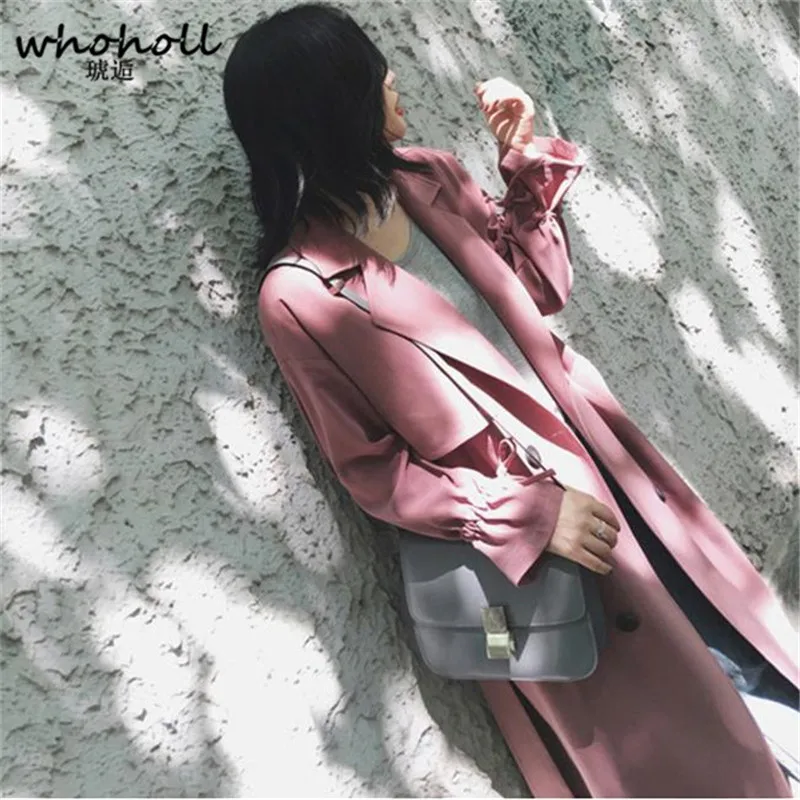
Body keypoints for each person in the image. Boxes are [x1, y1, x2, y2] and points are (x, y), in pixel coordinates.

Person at [222, 3, 800, 796]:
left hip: (602, 456)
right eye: (371, 69)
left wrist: (522, 160)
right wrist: (516, 516)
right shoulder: (301, 294)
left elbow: (539, 288)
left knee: (730, 638)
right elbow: (372, 470)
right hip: (538, 525)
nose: (391, 79)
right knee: (673, 724)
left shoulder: (426, 177)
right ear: (332, 102)